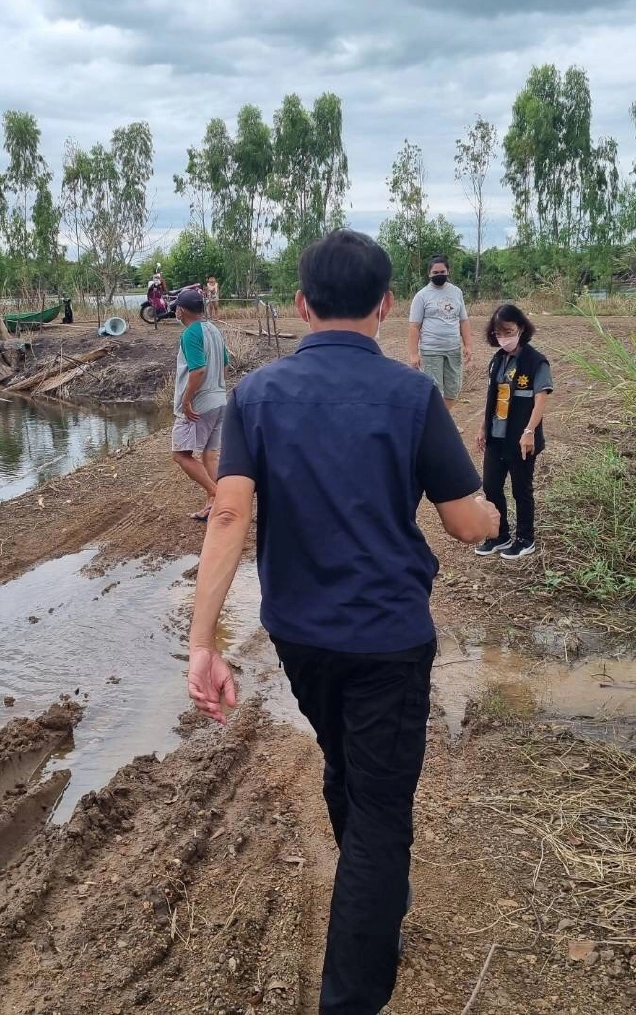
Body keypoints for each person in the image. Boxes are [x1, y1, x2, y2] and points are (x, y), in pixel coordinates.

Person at [187, 230, 500, 1015]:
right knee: (382, 818)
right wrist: (495, 514)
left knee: (345, 764)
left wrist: (203, 643)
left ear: (301, 305)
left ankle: (372, 908)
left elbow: (228, 513)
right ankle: (353, 991)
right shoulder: (410, 395)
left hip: (301, 635)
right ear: (388, 305)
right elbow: (467, 525)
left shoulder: (258, 395)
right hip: (388, 639)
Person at [473, 303, 553, 560]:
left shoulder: (535, 361)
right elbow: (492, 397)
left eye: (508, 331)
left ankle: (525, 539)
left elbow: (541, 398)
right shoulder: (498, 360)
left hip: (520, 439)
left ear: (520, 328)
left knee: (521, 490)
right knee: (491, 486)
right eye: (498, 332)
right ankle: (499, 535)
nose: (503, 337)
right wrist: (483, 428)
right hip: (497, 436)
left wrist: (529, 431)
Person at [171, 287, 230, 522]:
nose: (175, 311)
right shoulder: (213, 329)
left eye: (176, 307)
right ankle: (214, 503)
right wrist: (217, 387)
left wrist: (186, 401)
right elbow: (225, 363)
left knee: (180, 454)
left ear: (182, 310)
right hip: (219, 399)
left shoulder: (190, 334)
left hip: (200, 404)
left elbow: (198, 370)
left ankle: (216, 493)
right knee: (209, 454)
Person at [407, 255, 471, 411]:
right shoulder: (422, 296)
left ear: (448, 271)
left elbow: (463, 321)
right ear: (429, 274)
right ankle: (437, 426)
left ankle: (444, 422)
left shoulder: (457, 292)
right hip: (431, 350)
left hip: (453, 350)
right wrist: (413, 354)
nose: (439, 275)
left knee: (452, 390)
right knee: (434, 391)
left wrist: (468, 345)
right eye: (435, 272)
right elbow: (414, 326)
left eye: (442, 271)